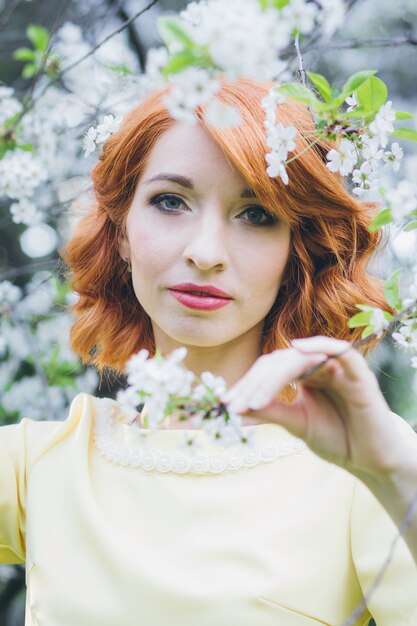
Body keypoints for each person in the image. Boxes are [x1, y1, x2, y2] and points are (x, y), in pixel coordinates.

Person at [1, 78, 417, 626]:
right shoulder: (39, 466)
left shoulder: (362, 472)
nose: (205, 252)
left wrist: (393, 474)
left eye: (257, 214)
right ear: (122, 230)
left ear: (296, 250)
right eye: (170, 202)